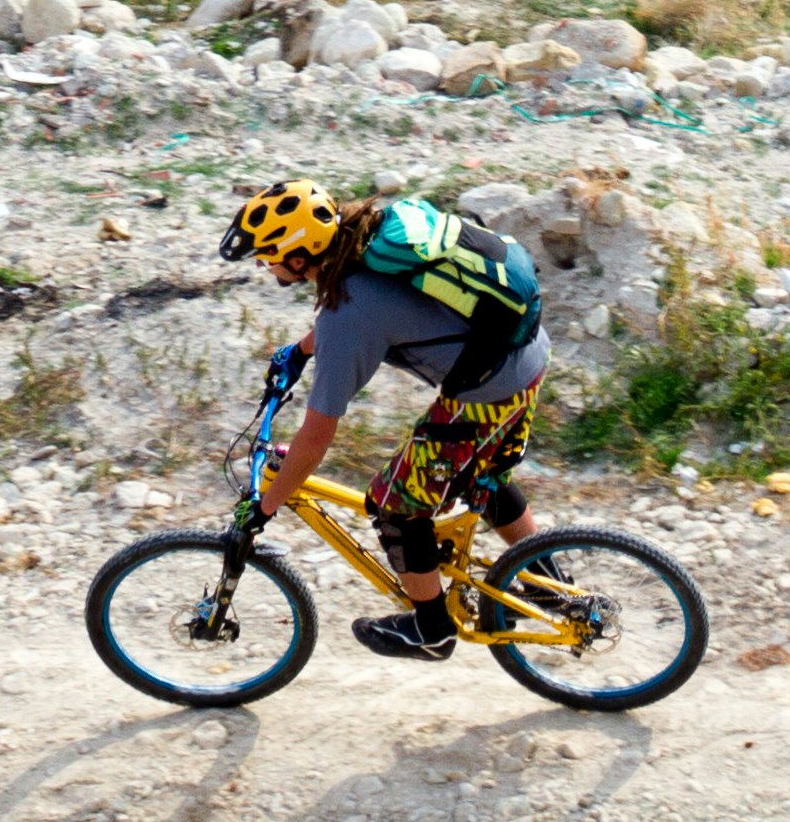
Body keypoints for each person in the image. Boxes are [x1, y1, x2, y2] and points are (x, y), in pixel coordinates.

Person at [221, 180, 552, 664]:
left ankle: (431, 629)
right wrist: (299, 352)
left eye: (267, 254)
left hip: (488, 390)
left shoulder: (345, 314)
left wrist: (267, 507)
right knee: (480, 474)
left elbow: (315, 439)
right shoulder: (368, 237)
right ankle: (547, 583)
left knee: (394, 503)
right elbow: (373, 307)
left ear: (297, 257)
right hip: (527, 354)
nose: (262, 264)